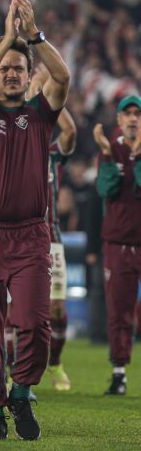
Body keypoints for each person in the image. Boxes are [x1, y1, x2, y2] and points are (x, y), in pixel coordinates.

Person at [0, 0, 70, 440]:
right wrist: (8, 38)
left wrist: (33, 36)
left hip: (28, 237)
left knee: (36, 324)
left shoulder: (40, 114)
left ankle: (21, 392)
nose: (10, 73)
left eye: (18, 69)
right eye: (4, 67)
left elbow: (62, 77)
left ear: (29, 79)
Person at [24, 65, 77, 392]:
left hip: (51, 239)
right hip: (20, 235)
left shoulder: (53, 154)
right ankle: (16, 367)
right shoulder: (18, 145)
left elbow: (69, 132)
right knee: (18, 309)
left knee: (57, 307)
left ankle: (55, 363)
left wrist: (51, 97)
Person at [93, 94, 141, 396]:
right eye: (129, 114)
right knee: (119, 311)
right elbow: (105, 188)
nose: (134, 118)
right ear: (120, 119)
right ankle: (119, 373)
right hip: (119, 245)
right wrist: (110, 155)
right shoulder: (109, 150)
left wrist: (136, 158)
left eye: (138, 113)